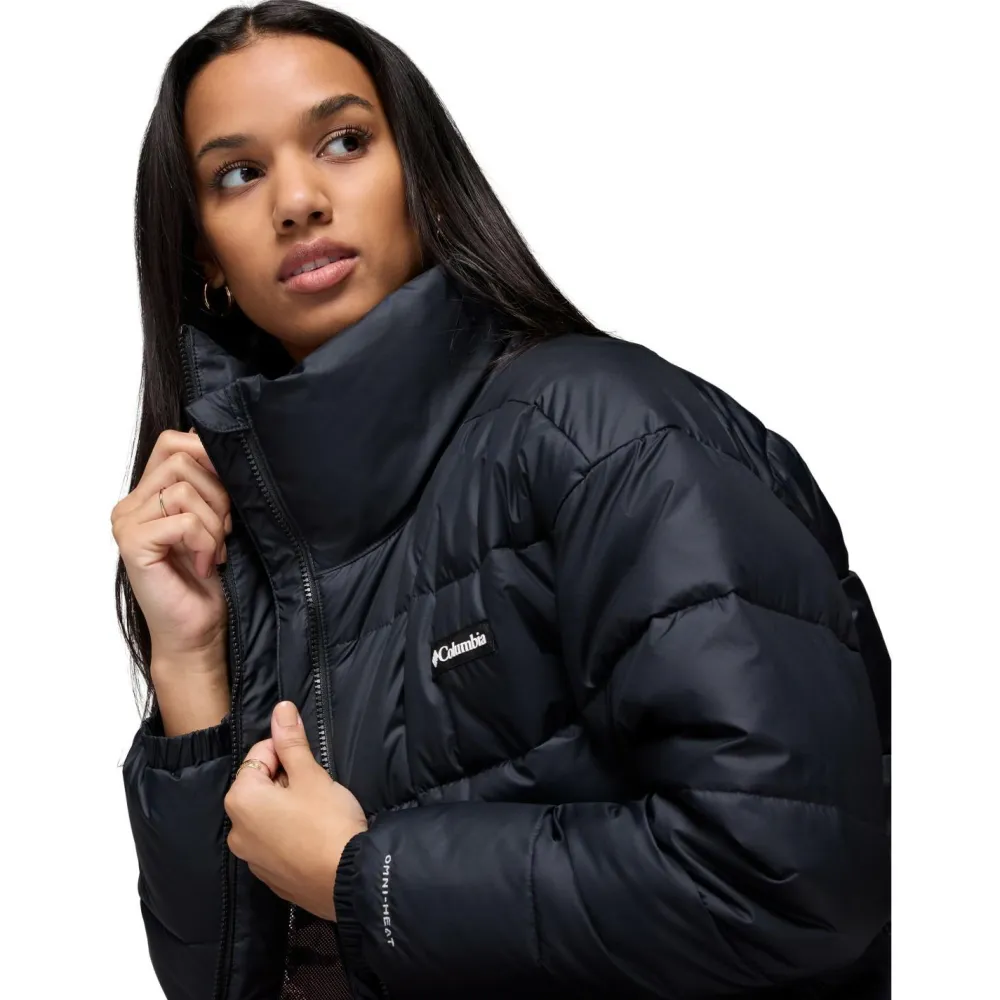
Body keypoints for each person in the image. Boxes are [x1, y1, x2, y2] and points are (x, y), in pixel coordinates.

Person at [112, 2, 891, 999]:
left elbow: (793, 879)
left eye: (343, 141)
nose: (297, 201)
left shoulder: (611, 436)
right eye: (238, 173)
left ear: (421, 177)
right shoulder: (251, 542)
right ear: (205, 259)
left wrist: (367, 878)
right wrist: (188, 664)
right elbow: (229, 985)